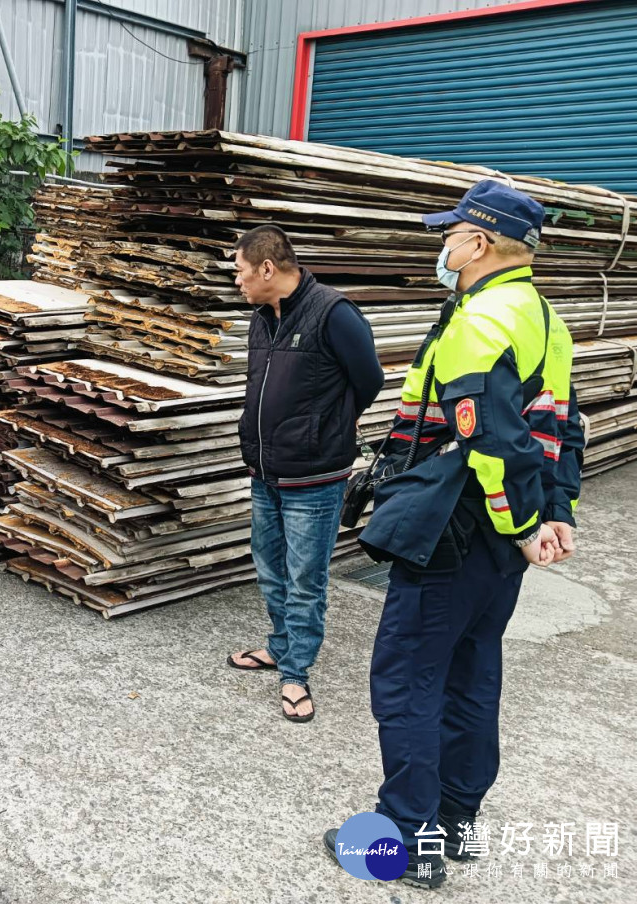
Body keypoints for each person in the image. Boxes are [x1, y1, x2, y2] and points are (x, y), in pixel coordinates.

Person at [323, 181, 584, 889]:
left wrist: (528, 523)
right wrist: (557, 511)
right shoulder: (542, 316)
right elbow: (562, 426)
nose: (444, 246)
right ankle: (456, 824)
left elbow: (494, 441)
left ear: (479, 243)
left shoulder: (479, 320)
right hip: (499, 543)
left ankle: (408, 842)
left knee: (409, 680)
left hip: (458, 526)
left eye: (452, 234)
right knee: (472, 674)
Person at [229, 225, 385, 722]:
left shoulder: (334, 313)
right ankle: (279, 647)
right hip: (265, 469)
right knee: (270, 568)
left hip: (314, 477)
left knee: (305, 578)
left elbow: (370, 379)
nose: (238, 281)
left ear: (267, 268)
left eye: (240, 271)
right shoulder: (261, 318)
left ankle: (296, 673)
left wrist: (329, 423)